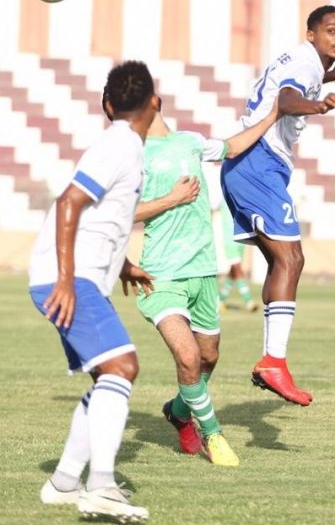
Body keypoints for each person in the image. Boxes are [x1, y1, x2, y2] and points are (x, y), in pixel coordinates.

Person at [30, 61, 159, 522]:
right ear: (155, 102)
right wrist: (66, 280)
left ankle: (64, 483)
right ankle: (101, 485)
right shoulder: (120, 145)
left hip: (78, 275)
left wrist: (123, 265)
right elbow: (69, 202)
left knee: (109, 376)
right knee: (123, 367)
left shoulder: (124, 147)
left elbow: (102, 217)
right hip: (69, 277)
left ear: (107, 105)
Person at [133, 103, 280, 466]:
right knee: (187, 357)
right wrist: (171, 199)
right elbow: (119, 212)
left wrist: (273, 115)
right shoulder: (132, 153)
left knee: (207, 358)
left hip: (202, 271)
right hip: (160, 275)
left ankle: (179, 412)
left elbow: (232, 147)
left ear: (154, 100)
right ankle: (213, 435)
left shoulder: (191, 142)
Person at [221, 4, 335, 406]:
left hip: (252, 164)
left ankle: (269, 362)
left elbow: (294, 86)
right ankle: (273, 362)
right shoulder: (306, 64)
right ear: (311, 34)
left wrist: (331, 76)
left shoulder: (305, 62)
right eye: (331, 31)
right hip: (257, 162)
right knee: (291, 260)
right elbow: (288, 98)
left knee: (281, 262)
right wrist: (319, 104)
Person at [216, 200, 258, 313]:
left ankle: (220, 301)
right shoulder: (224, 199)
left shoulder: (240, 198)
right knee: (238, 269)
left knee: (233, 272)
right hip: (230, 241)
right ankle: (249, 301)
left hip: (240, 240)